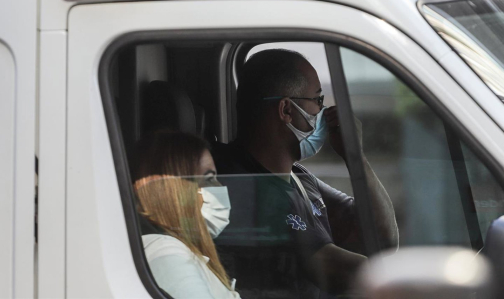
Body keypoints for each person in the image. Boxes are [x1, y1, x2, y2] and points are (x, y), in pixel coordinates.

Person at [214, 49, 398, 298]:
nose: (324, 111)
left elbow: (380, 238)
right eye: (318, 100)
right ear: (286, 110)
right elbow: (338, 270)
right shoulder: (244, 186)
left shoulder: (298, 177)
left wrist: (356, 157)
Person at [134, 130, 241, 299]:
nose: (219, 186)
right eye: (208, 179)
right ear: (175, 190)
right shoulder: (167, 254)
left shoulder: (175, 248)